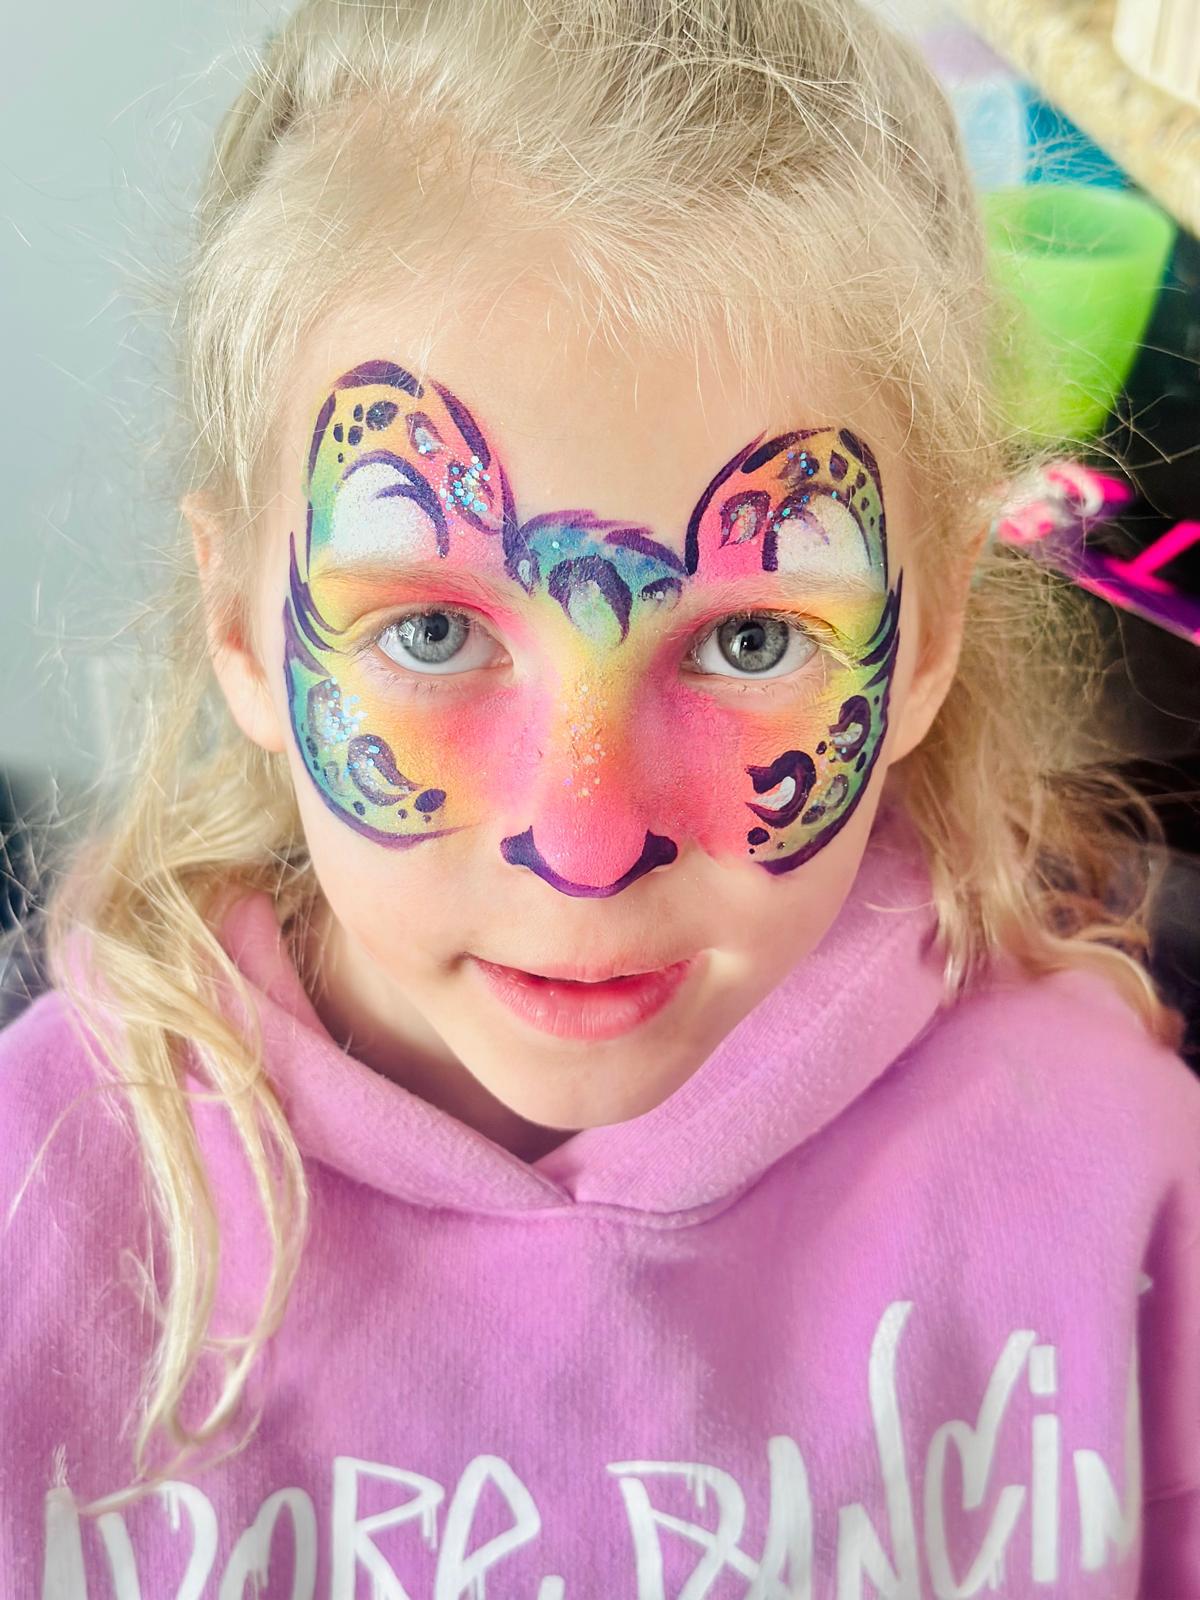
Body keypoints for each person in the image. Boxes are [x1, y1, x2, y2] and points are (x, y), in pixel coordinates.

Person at [3, 0, 1197, 1592]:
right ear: (239, 625)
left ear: (930, 643)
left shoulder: (1117, 1186)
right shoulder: (41, 1213)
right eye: (431, 630)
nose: (583, 844)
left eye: (756, 637)